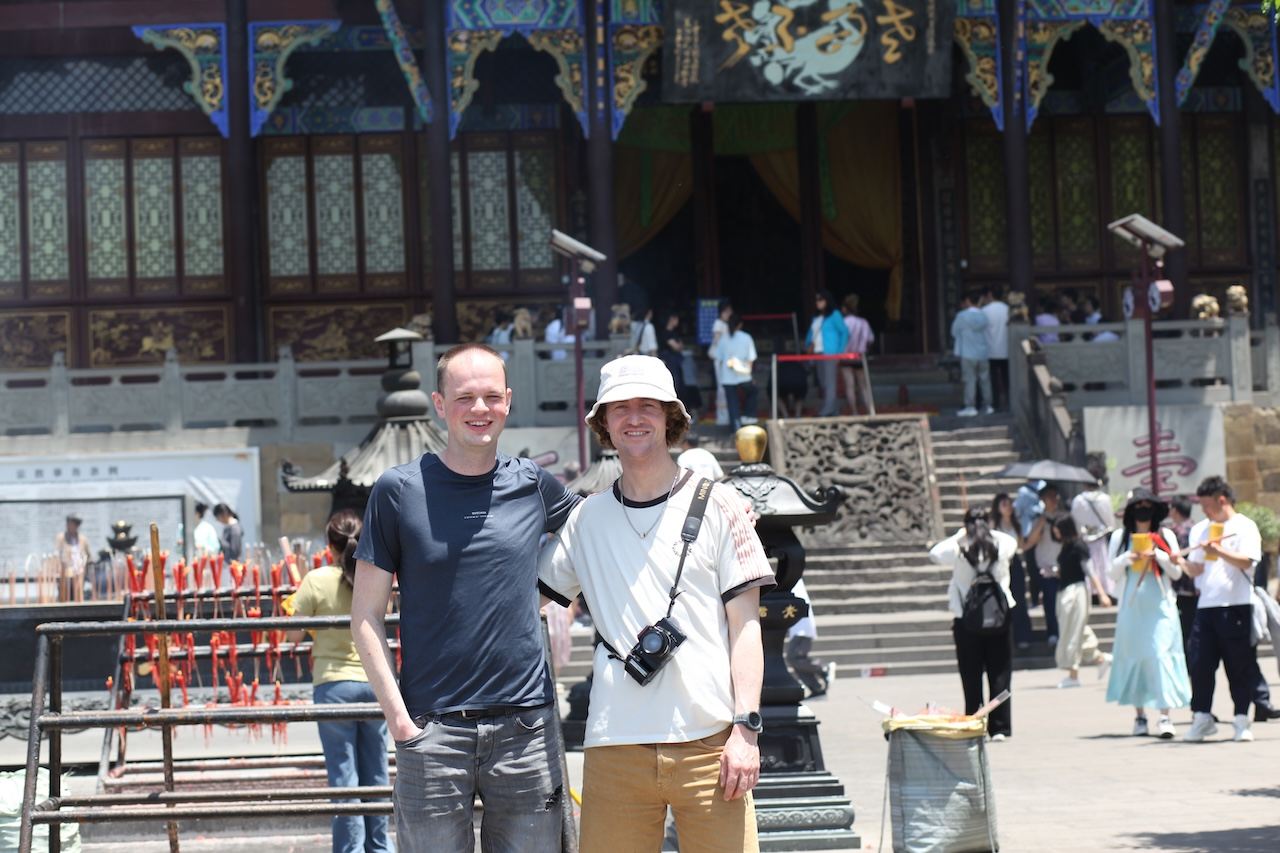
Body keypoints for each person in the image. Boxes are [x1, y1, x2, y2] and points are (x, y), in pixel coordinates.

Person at [538, 354, 774, 852]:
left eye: (648, 405)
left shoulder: (722, 505)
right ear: (604, 423)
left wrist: (746, 729)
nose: (634, 418)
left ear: (671, 417)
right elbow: (526, 598)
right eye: (619, 408)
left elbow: (746, 628)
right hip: (614, 742)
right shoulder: (586, 520)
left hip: (710, 742)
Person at [351, 343, 580, 851]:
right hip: (432, 730)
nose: (480, 409)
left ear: (509, 402)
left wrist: (716, 500)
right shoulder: (398, 490)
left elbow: (602, 532)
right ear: (439, 403)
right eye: (465, 397)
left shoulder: (533, 484)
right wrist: (399, 720)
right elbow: (365, 615)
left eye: (491, 397)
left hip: (525, 727)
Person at [288, 510, 392, 853]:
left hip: (333, 686)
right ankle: (381, 847)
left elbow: (291, 635)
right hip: (374, 683)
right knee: (376, 773)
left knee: (344, 778)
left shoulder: (315, 580)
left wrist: (297, 605)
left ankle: (351, 849)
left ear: (328, 544)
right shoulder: (375, 575)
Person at [1182, 476, 1266, 743]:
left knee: (1238, 665)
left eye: (1207, 505)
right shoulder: (1200, 529)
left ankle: (1242, 719)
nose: (1205, 512)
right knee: (1199, 665)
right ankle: (1202, 716)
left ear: (1222, 499)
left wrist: (1219, 550)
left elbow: (1248, 562)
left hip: (1237, 604)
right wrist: (1178, 562)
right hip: (1206, 606)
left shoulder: (1244, 526)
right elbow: (1196, 569)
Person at [1104, 490, 1190, 739]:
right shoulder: (1120, 537)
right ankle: (1140, 716)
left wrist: (1159, 556)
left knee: (1160, 655)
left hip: (1160, 605)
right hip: (1132, 607)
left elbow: (1176, 573)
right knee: (1137, 657)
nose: (1143, 511)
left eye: (1147, 506)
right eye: (1138, 506)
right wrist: (1127, 559)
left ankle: (1165, 716)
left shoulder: (1165, 536)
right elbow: (1111, 573)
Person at [930, 507, 1017, 740]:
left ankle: (974, 721)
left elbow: (935, 553)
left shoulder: (959, 547)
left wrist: (961, 535)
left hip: (966, 620)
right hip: (999, 617)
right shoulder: (1001, 543)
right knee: (1000, 673)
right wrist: (987, 531)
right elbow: (1012, 543)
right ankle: (1000, 726)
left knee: (971, 674)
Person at [1050, 516, 1112, 689]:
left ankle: (1073, 674)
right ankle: (1100, 658)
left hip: (1076, 592)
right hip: (1065, 590)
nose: (1055, 532)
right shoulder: (1066, 546)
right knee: (1077, 629)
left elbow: (1090, 571)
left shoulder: (1079, 546)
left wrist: (1101, 593)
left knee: (1072, 631)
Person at [991, 493, 1032, 649]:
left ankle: (1022, 635)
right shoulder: (994, 525)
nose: (1008, 507)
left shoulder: (1016, 524)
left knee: (1019, 600)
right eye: (1004, 504)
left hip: (1014, 564)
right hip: (1000, 565)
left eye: (1009, 504)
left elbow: (1021, 544)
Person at [1024, 484, 1064, 643]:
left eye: (1055, 496)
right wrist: (1043, 520)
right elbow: (1031, 541)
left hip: (1063, 566)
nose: (1053, 500)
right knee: (1049, 601)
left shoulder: (1063, 517)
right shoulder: (1038, 519)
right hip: (1046, 567)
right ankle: (1053, 632)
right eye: (1049, 497)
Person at [785, 578, 835, 698]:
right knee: (795, 659)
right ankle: (816, 688)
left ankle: (823, 668)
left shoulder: (793, 581)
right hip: (798, 627)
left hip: (802, 628)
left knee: (793, 657)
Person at [1071, 470, 1117, 598]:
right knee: (1104, 564)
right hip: (1102, 537)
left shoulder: (1078, 500)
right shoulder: (1105, 499)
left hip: (1085, 538)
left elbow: (1076, 523)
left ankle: (1092, 591)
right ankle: (1107, 590)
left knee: (1089, 565)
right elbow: (1110, 523)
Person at [804, 290, 848, 417]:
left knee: (830, 382)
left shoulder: (835, 315)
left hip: (830, 352)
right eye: (817, 300)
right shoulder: (816, 318)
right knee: (823, 381)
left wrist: (839, 352)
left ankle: (827, 410)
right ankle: (833, 409)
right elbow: (810, 335)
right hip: (817, 352)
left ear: (827, 301)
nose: (818, 303)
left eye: (820, 300)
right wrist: (808, 346)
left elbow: (844, 332)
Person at [1166, 496, 1199, 658]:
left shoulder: (1176, 532)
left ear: (1175, 511)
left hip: (1181, 588)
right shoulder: (1197, 529)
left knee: (1183, 630)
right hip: (1197, 587)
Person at [715, 313, 759, 430]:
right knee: (752, 392)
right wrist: (750, 374)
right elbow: (751, 359)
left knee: (732, 403)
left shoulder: (723, 339)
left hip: (727, 376)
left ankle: (735, 427)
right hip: (743, 375)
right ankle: (748, 416)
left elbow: (718, 358)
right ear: (740, 325)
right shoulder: (746, 337)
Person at [950, 291, 991, 417]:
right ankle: (988, 405)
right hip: (983, 352)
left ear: (968, 301)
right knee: (985, 380)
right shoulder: (984, 316)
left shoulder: (962, 316)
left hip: (968, 352)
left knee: (970, 380)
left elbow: (954, 332)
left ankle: (970, 406)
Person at [839, 294, 874, 416]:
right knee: (863, 386)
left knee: (850, 386)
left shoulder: (843, 323)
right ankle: (870, 411)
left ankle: (854, 412)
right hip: (860, 357)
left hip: (846, 357)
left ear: (845, 309)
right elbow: (870, 339)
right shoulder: (863, 323)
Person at [980, 287, 1009, 411]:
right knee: (1006, 378)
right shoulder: (1008, 309)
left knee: (992, 379)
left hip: (990, 350)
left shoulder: (984, 310)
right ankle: (1009, 401)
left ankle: (995, 403)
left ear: (990, 294)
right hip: (1006, 350)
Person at [54, 514, 91, 602]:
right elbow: (56, 553)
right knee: (64, 595)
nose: (69, 526)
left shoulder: (83, 539)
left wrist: (86, 566)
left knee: (78, 594)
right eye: (68, 523)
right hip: (65, 571)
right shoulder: (61, 537)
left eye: (71, 524)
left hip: (79, 571)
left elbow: (88, 555)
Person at [710, 301, 734, 426]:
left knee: (725, 387)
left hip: (725, 359)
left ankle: (726, 416)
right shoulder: (718, 324)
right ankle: (722, 417)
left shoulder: (724, 324)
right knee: (721, 388)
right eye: (728, 311)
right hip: (720, 359)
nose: (730, 314)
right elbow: (716, 341)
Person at [774, 336, 808, 419]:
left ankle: (785, 415)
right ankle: (798, 415)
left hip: (783, 384)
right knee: (799, 395)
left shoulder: (779, 364)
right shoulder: (798, 363)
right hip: (798, 384)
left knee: (775, 394)